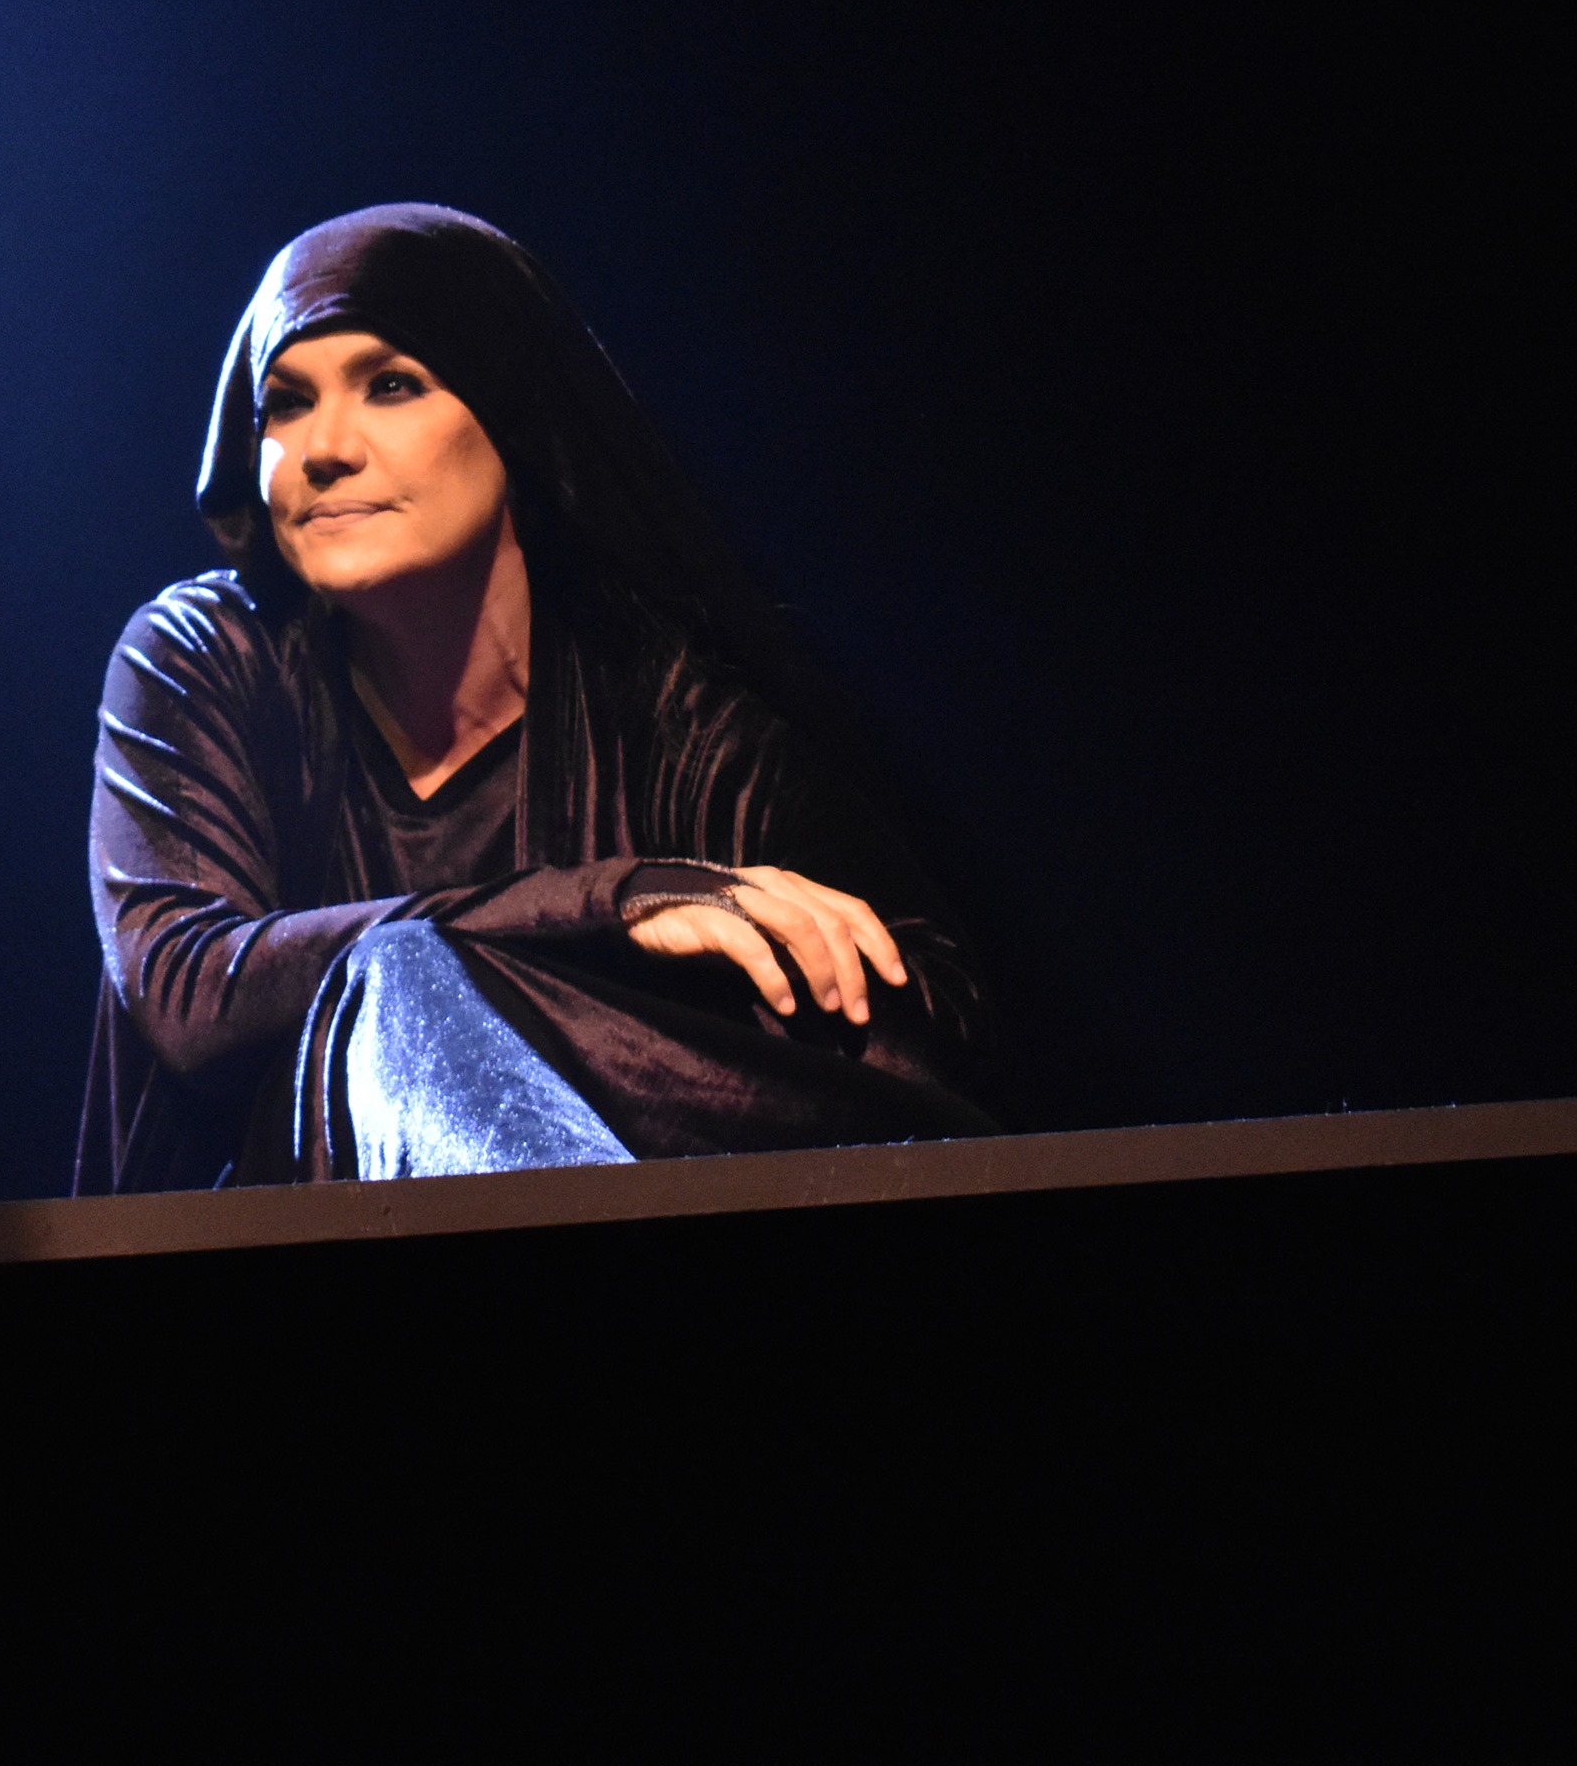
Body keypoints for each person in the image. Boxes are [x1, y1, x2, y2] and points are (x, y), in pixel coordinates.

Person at [79, 204, 996, 1192]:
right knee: (400, 986)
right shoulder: (207, 655)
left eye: (391, 385)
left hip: (646, 1212)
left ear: (512, 419)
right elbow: (188, 987)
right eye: (286, 404)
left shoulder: (668, 720)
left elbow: (922, 1028)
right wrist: (614, 904)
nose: (322, 448)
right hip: (274, 1259)